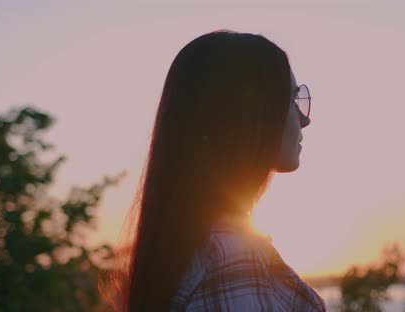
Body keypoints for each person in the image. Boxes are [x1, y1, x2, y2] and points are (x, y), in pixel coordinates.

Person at [111, 30, 325, 311]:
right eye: (292, 101)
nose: (304, 120)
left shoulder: (185, 252)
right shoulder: (233, 263)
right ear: (248, 115)